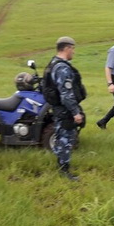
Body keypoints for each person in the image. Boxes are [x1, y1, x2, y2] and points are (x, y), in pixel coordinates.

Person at [45, 36, 86, 181]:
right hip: (64, 110)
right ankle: (64, 172)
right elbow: (66, 94)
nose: (73, 51)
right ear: (67, 48)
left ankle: (61, 167)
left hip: (58, 108)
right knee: (65, 139)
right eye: (72, 48)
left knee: (60, 137)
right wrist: (76, 112)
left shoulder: (53, 63)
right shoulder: (62, 68)